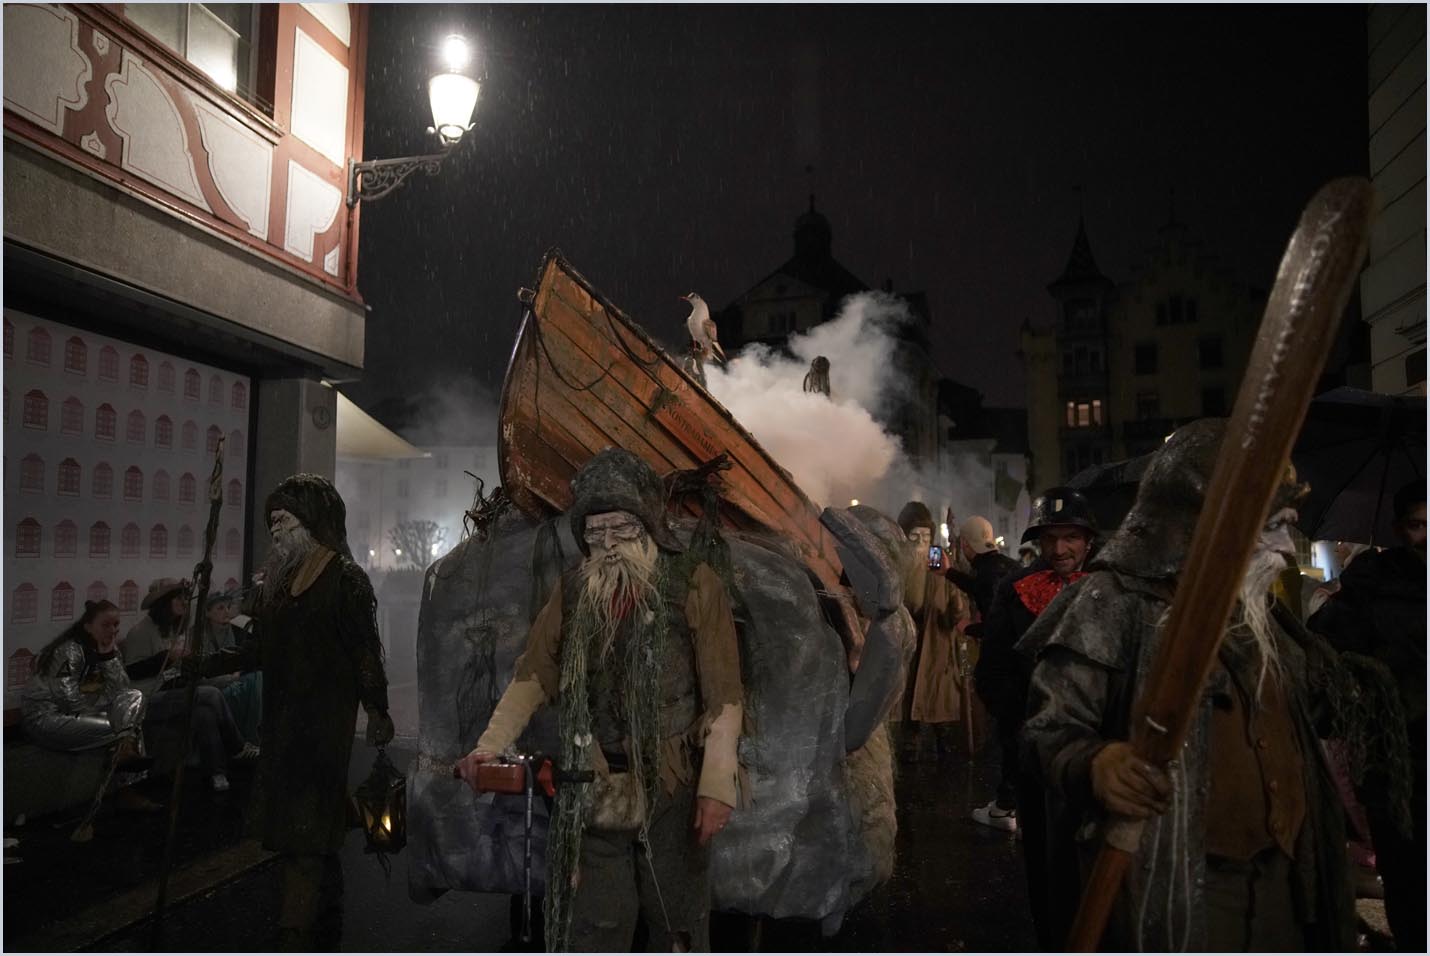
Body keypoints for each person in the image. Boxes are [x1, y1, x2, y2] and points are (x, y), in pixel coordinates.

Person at [1022, 419, 1382, 951]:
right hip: (1181, 890)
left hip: (1286, 883)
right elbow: (1048, 729)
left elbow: (1313, 713)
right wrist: (1096, 762)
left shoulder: (1261, 615)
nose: (1287, 549)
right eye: (1270, 527)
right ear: (1201, 521)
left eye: (1287, 526)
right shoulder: (1111, 603)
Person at [456, 448, 744, 952]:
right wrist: (489, 747)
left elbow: (723, 695)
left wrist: (717, 785)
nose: (608, 544)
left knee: (676, 920)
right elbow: (533, 676)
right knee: (596, 925)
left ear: (647, 526)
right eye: (595, 531)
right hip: (590, 781)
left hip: (672, 785)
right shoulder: (572, 590)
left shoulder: (695, 583)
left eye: (622, 528)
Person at [198, 474, 394, 951]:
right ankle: (326, 911)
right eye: (272, 522)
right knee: (301, 825)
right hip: (283, 721)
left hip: (324, 724)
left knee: (304, 832)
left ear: (311, 522)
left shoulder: (345, 579)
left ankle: (295, 932)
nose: (275, 530)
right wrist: (202, 665)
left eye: (283, 520)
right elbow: (259, 648)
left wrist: (377, 708)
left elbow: (365, 651)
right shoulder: (280, 584)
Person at [1307, 481, 1426, 952]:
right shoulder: (1372, 582)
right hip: (1397, 759)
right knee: (1408, 874)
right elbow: (1327, 645)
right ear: (1399, 528)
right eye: (1418, 525)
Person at [971, 488, 1098, 834]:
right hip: (1032, 743)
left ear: (1088, 540)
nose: (1059, 549)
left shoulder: (1109, 585)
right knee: (1041, 844)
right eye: (1050, 538)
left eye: (1070, 538)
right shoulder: (1015, 587)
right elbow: (993, 667)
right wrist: (1019, 726)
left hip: (1097, 744)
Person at [22, 600, 160, 812]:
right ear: (88, 626)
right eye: (105, 625)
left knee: (135, 697)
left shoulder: (108, 649)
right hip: (48, 717)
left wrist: (108, 658)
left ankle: (126, 763)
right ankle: (128, 789)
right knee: (126, 726)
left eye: (116, 625)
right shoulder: (70, 650)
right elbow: (67, 700)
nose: (112, 630)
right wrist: (105, 711)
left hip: (86, 712)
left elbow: (122, 689)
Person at [122, 578, 254, 792]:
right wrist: (168, 657)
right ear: (164, 603)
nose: (184, 602)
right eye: (178, 598)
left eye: (185, 597)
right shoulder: (141, 632)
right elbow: (132, 672)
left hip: (172, 689)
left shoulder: (173, 629)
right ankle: (238, 747)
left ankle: (217, 772)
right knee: (211, 694)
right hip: (147, 699)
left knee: (204, 714)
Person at [895, 502, 971, 762]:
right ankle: (910, 740)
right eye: (914, 537)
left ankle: (943, 740)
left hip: (936, 641)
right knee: (908, 692)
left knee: (938, 694)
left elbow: (956, 608)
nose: (920, 543)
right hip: (908, 639)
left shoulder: (941, 566)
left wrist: (956, 604)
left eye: (926, 537)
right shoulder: (899, 565)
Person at [205, 590, 263, 745]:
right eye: (220, 608)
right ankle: (248, 739)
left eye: (228, 607)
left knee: (257, 677)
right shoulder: (201, 635)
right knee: (250, 684)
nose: (226, 612)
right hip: (214, 687)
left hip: (232, 681)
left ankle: (252, 738)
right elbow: (203, 674)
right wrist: (230, 678)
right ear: (208, 613)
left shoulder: (233, 631)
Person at [944, 514, 1020, 621]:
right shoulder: (1013, 566)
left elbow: (978, 586)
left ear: (965, 543)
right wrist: (948, 571)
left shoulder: (984, 573)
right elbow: (973, 585)